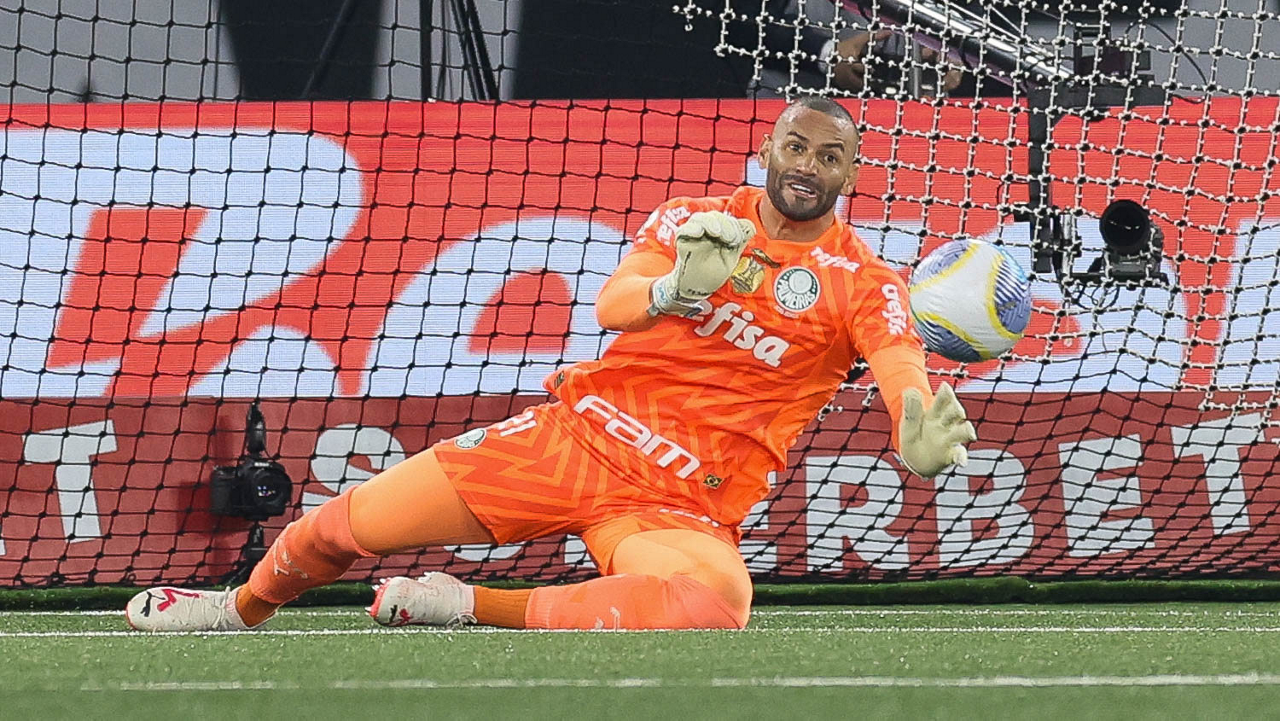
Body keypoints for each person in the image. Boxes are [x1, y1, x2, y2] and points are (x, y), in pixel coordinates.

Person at [124, 96, 976, 633]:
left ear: (851, 172)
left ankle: (464, 603)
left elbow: (899, 364)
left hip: (677, 501)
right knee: (340, 527)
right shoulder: (696, 219)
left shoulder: (864, 279)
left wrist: (915, 431)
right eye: (797, 146)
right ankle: (235, 608)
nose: (808, 167)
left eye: (829, 157)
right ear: (768, 147)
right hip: (573, 439)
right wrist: (675, 289)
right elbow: (613, 304)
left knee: (715, 603)